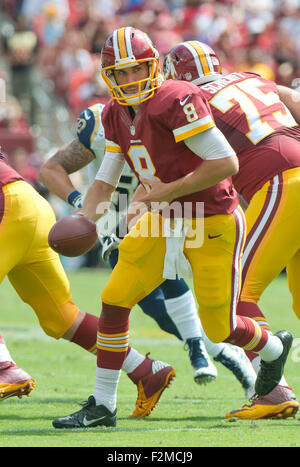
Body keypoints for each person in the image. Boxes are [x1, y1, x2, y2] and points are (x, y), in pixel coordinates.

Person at [51, 27, 292, 429]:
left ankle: (272, 346)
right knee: (114, 299)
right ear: (108, 74)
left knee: (222, 326)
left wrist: (165, 192)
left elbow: (225, 163)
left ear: (154, 67)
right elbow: (105, 181)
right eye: (120, 72)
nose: (129, 80)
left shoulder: (175, 98)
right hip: (162, 221)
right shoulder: (112, 112)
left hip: (210, 218)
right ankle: (103, 404)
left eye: (137, 70)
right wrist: (85, 220)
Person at [39, 100, 257, 395]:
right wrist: (82, 204)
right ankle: (220, 351)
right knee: (155, 310)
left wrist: (130, 217)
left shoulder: (157, 118)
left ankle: (202, 350)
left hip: (156, 212)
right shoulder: (99, 121)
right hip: (113, 223)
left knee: (174, 281)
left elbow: (153, 178)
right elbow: (51, 169)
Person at [163, 39, 300, 419]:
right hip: (291, 172)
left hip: (280, 182)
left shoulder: (191, 100)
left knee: (236, 295)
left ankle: (273, 392)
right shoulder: (254, 80)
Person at [0, 149, 177, 416]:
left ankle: (4, 369)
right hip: (30, 204)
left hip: (7, 206)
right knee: (61, 318)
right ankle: (144, 370)